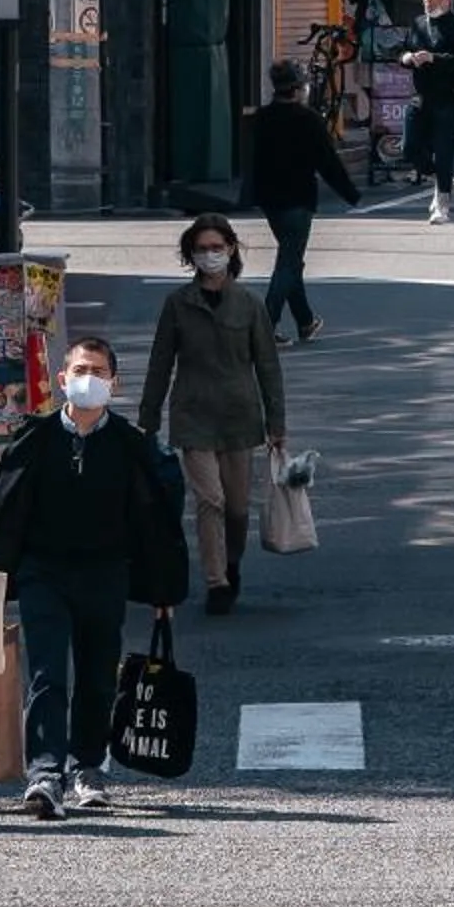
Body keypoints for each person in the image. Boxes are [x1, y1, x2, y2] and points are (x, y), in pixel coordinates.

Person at [0, 332, 183, 820]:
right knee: (46, 673)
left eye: (98, 372)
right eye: (80, 371)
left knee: (96, 674)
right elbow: (4, 509)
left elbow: (156, 521)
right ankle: (45, 775)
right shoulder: (37, 438)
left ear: (115, 382)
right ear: (62, 379)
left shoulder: (133, 446)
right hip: (42, 571)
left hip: (105, 570)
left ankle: (88, 766)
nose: (88, 380)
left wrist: (162, 588)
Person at [139, 215, 286, 617]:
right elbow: (160, 363)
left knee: (238, 507)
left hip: (240, 418)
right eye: (201, 249)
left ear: (231, 249)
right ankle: (216, 580)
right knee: (211, 500)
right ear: (191, 255)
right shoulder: (178, 304)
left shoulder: (250, 304)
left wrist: (277, 424)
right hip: (193, 416)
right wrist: (147, 419)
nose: (209, 255)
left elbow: (268, 367)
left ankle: (231, 561)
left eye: (216, 247)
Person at [247, 59, 358, 344]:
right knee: (289, 262)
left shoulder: (262, 117)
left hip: (269, 199)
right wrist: (350, 193)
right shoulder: (308, 119)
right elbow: (327, 162)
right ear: (298, 89)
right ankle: (265, 326)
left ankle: (305, 321)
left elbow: (253, 161)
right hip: (298, 199)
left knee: (291, 259)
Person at [401, 0, 454, 222]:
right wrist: (408, 58)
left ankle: (442, 201)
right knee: (409, 147)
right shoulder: (418, 24)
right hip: (420, 93)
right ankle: (440, 177)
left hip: (446, 95)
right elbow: (403, 51)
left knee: (444, 148)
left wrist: (435, 58)